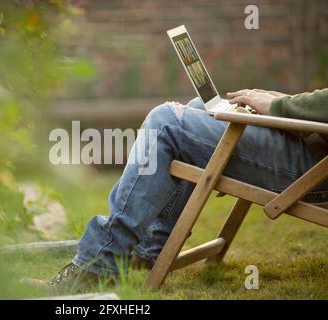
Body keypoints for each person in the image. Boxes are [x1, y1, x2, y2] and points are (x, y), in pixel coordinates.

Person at [47, 88, 328, 292]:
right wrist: (280, 100)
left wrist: (280, 107)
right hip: (315, 146)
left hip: (316, 170)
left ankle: (98, 265)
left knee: (166, 121)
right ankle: (149, 250)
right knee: (199, 105)